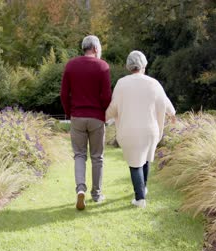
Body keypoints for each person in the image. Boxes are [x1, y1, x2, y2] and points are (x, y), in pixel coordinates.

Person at [106, 50, 176, 208]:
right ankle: (143, 188)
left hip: (130, 131)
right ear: (144, 65)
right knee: (144, 159)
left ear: (128, 66)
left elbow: (114, 107)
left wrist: (104, 117)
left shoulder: (122, 83)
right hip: (150, 130)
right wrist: (172, 114)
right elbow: (164, 101)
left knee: (135, 163)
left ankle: (140, 198)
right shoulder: (154, 83)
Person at [60, 35, 112, 210]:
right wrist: (104, 112)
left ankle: (80, 188)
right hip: (96, 117)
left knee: (80, 155)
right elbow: (106, 96)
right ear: (96, 49)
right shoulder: (103, 66)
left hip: (77, 116)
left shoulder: (70, 65)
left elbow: (64, 94)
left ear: (84, 48)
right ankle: (96, 194)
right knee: (97, 157)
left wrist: (69, 112)